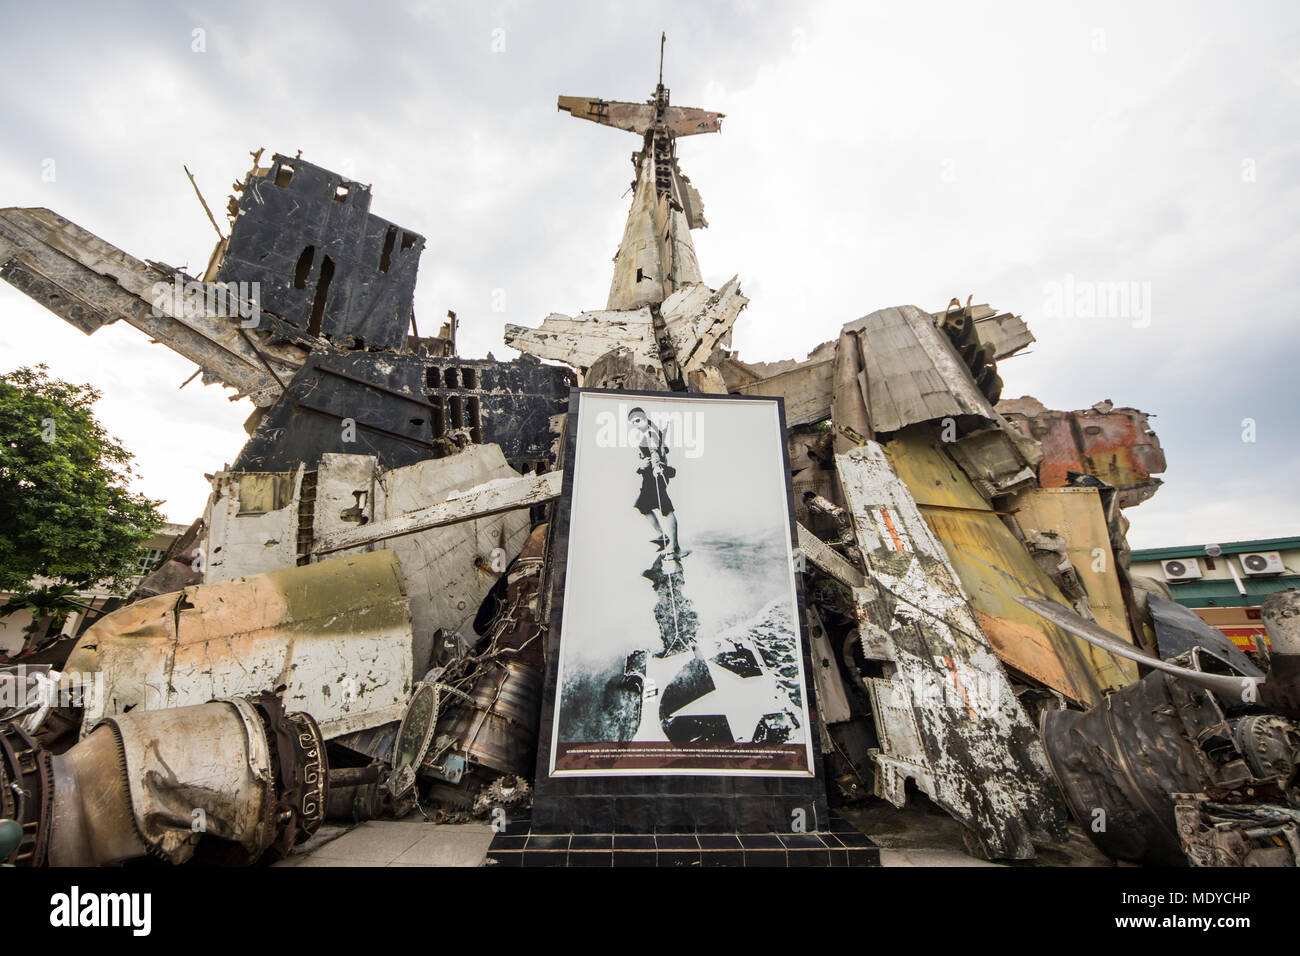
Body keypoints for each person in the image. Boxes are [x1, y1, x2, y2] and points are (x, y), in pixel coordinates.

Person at [627, 406, 681, 555]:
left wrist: (656, 466)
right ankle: (662, 536)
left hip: (656, 475)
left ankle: (674, 546)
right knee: (643, 506)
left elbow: (655, 452)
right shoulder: (649, 432)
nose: (637, 424)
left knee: (666, 509)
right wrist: (644, 463)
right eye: (633, 423)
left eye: (638, 420)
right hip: (650, 477)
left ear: (644, 417)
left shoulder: (651, 433)